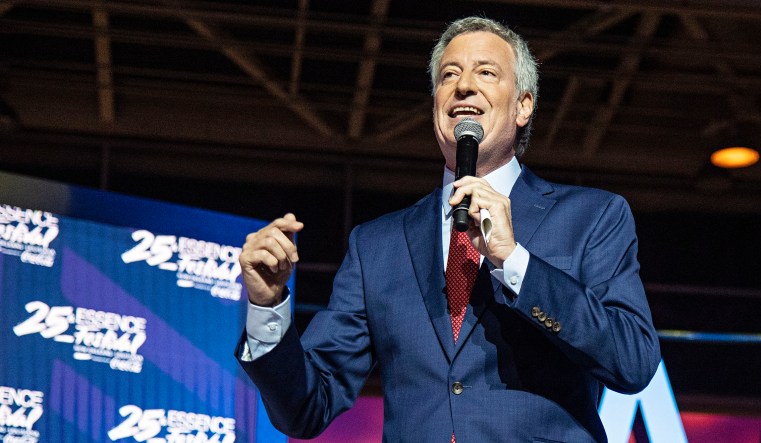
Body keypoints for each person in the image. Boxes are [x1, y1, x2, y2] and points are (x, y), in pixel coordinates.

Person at [235, 16, 660, 443]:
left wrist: (515, 262)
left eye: (486, 72)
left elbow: (634, 362)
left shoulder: (592, 217)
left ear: (523, 106)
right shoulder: (377, 245)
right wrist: (267, 306)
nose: (463, 86)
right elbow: (306, 409)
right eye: (449, 75)